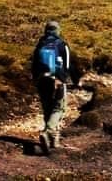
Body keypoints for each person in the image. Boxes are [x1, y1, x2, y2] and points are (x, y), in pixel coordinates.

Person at [30, 19, 79, 154]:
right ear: (58, 31)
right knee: (59, 108)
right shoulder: (62, 45)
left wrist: (35, 80)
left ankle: (53, 142)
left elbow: (34, 65)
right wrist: (69, 80)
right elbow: (68, 66)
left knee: (47, 108)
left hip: (41, 80)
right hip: (56, 80)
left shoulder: (40, 45)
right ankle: (48, 133)